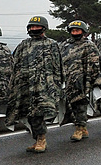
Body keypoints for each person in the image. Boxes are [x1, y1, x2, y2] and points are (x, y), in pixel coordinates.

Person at [9, 15, 64, 154]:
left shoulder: (52, 44)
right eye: (32, 27)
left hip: (44, 86)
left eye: (37, 27)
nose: (34, 29)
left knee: (39, 112)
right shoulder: (24, 45)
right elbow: (15, 64)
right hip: (26, 85)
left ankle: (41, 139)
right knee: (29, 113)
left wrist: (57, 85)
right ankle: (37, 138)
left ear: (43, 28)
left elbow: (58, 67)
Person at [59, 20, 101, 142]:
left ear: (83, 32)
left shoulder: (89, 45)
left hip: (82, 81)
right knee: (70, 105)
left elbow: (95, 64)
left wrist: (91, 80)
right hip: (68, 81)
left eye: (77, 30)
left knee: (81, 105)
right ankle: (82, 128)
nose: (75, 32)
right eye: (73, 30)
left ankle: (79, 128)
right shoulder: (65, 45)